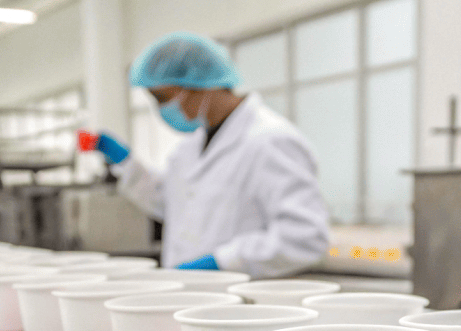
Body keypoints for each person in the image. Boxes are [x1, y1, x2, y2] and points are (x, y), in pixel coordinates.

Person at [92, 32, 330, 277]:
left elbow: (305, 237)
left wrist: (222, 262)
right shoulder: (190, 147)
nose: (161, 109)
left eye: (162, 98)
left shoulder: (271, 140)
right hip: (187, 288)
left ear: (198, 86)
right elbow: (176, 203)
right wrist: (126, 162)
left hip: (238, 293)